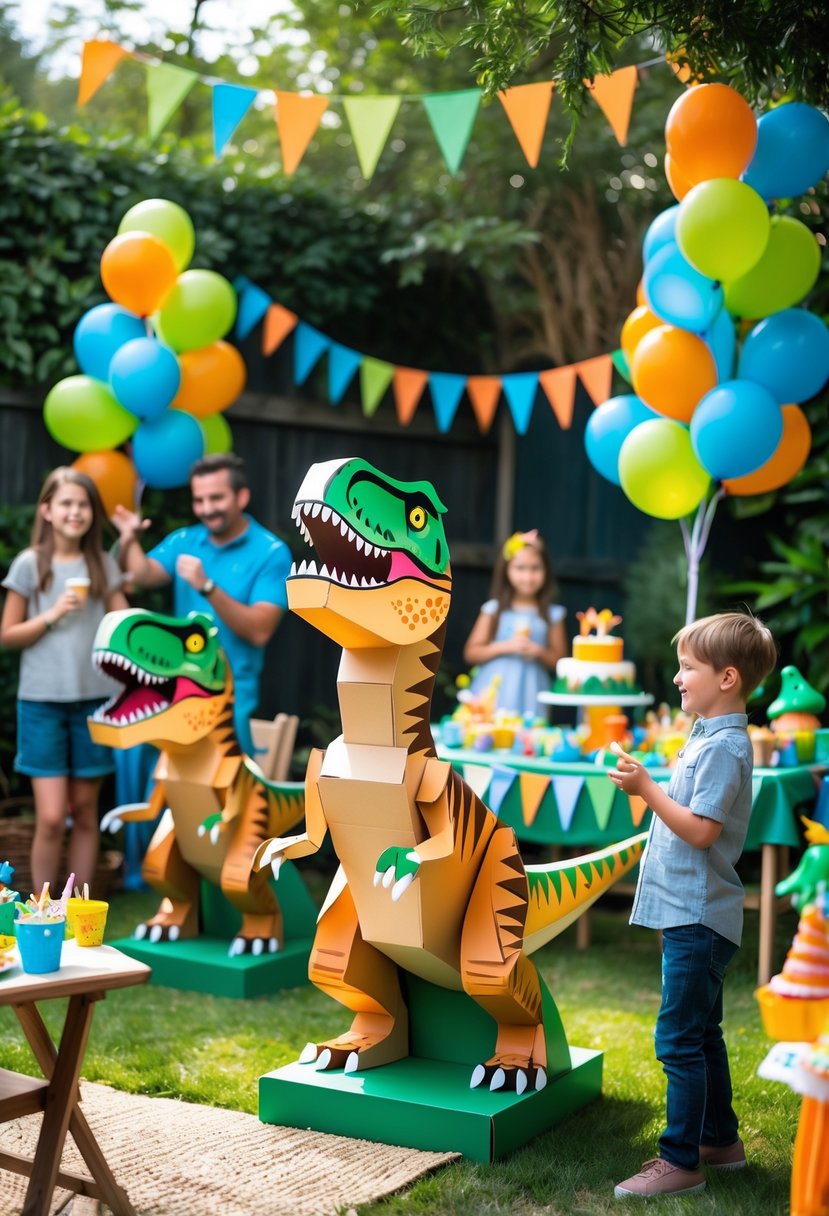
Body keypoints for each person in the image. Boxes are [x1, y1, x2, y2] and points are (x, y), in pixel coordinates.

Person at [609, 611, 778, 1199]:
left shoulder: (726, 748)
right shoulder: (707, 737)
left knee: (678, 1039)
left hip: (698, 916)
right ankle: (720, 1141)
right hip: (695, 913)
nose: (678, 678)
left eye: (688, 668)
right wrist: (651, 780)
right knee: (703, 1033)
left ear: (727, 677)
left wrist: (647, 790)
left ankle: (680, 1161)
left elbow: (702, 831)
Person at [0, 467, 129, 894]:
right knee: (52, 816)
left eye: (84, 504)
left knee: (87, 811)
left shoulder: (102, 563)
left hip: (96, 703)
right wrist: (53, 614)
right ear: (47, 510)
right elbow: (7, 635)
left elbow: (127, 624)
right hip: (42, 705)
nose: (76, 512)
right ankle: (43, 910)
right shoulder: (29, 564)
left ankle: (78, 914)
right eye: (67, 503)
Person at [112, 453, 291, 756]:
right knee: (135, 753)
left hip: (230, 696)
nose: (207, 509)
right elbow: (142, 575)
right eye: (199, 500)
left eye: (216, 498)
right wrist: (129, 539)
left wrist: (207, 587)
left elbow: (259, 630)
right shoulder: (186, 539)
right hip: (179, 688)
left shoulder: (272, 552)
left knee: (222, 791)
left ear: (242, 496)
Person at [463, 529, 567, 719]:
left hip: (532, 693)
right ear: (506, 571)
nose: (528, 577)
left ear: (546, 570)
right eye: (520, 568)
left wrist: (538, 651)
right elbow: (471, 653)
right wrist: (505, 646)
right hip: (493, 692)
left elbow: (560, 661)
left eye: (535, 568)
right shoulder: (493, 610)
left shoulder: (553, 614)